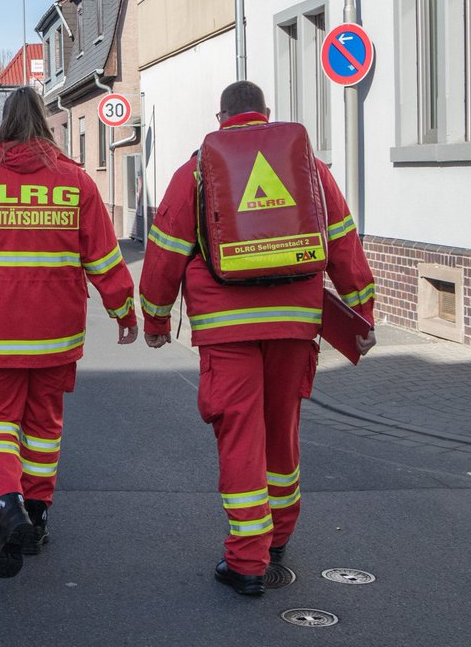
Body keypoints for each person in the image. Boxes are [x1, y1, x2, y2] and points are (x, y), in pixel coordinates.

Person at [140, 80, 377, 596]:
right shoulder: (307, 168)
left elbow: (164, 249)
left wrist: (156, 321)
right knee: (281, 427)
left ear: (222, 117)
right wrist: (362, 311)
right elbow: (342, 239)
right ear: (265, 114)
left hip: (226, 328)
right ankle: (278, 539)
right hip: (294, 320)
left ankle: (246, 560)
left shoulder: (197, 170)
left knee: (240, 433)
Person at [0, 86, 138, 578]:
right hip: (54, 334)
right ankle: (39, 515)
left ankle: (7, 504)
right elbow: (105, 259)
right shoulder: (76, 183)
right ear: (46, 122)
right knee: (44, 427)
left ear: (3, 122)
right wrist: (125, 312)